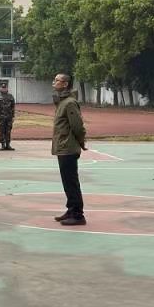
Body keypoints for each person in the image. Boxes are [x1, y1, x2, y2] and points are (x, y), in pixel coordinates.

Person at [51, 73, 87, 226]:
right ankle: (71, 210)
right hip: (63, 147)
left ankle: (78, 215)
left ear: (65, 84)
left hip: (68, 147)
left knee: (71, 182)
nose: (54, 82)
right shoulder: (62, 102)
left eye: (57, 80)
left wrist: (81, 142)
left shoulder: (69, 103)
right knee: (67, 182)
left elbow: (77, 126)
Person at [0, 82, 16, 151]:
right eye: (2, 88)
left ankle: (8, 145)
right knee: (2, 131)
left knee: (8, 131)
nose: (4, 89)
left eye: (5, 88)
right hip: (1, 117)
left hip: (9, 117)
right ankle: (3, 145)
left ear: (7, 88)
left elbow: (13, 107)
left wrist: (13, 116)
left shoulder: (10, 96)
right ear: (0, 88)